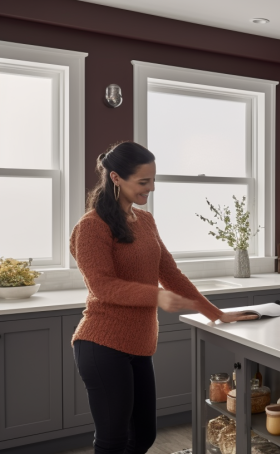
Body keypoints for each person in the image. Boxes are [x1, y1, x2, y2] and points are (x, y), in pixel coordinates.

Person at [70, 141, 257, 453]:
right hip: (101, 345)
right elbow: (102, 286)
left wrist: (216, 313)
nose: (151, 188)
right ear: (116, 178)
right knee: (113, 441)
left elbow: (170, 273)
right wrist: (155, 296)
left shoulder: (145, 221)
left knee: (143, 436)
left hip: (139, 345)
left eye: (153, 180)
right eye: (144, 182)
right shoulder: (91, 226)